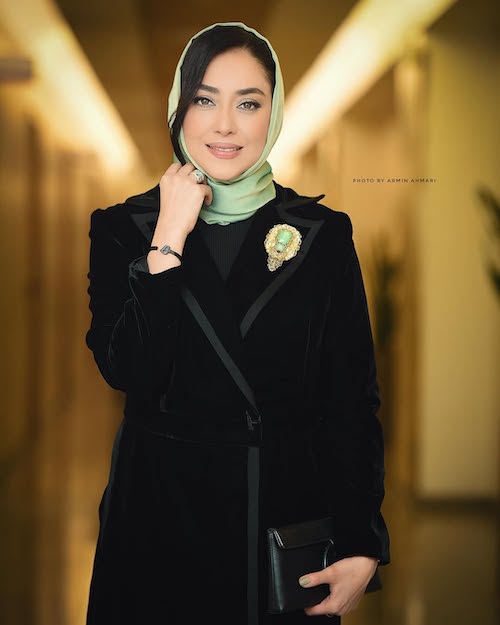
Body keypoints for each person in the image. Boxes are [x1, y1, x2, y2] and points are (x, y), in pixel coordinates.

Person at [84, 21, 390, 625]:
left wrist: (361, 540)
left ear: (273, 115)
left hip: (278, 522)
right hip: (156, 522)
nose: (224, 125)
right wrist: (167, 238)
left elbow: (351, 402)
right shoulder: (123, 228)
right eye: (205, 100)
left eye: (248, 103)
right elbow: (130, 373)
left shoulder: (322, 237)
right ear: (179, 110)